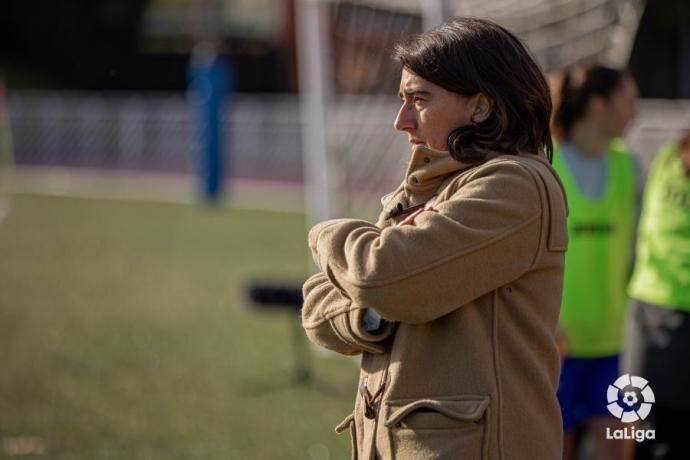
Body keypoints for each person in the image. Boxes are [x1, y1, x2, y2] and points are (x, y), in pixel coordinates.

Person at [301, 17, 568, 459]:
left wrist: (326, 232)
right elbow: (315, 310)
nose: (400, 121)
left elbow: (378, 275)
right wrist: (375, 318)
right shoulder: (431, 186)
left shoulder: (516, 184)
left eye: (418, 100)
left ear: (480, 107)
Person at [549, 65, 639, 460]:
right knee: (556, 450)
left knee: (616, 450)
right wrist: (546, 325)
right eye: (629, 101)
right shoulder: (547, 168)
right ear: (599, 106)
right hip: (557, 347)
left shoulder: (629, 166)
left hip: (616, 347)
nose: (636, 112)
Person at [623, 132, 690, 460]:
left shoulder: (668, 155)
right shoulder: (667, 156)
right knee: (644, 428)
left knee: (645, 427)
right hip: (655, 313)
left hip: (652, 312)